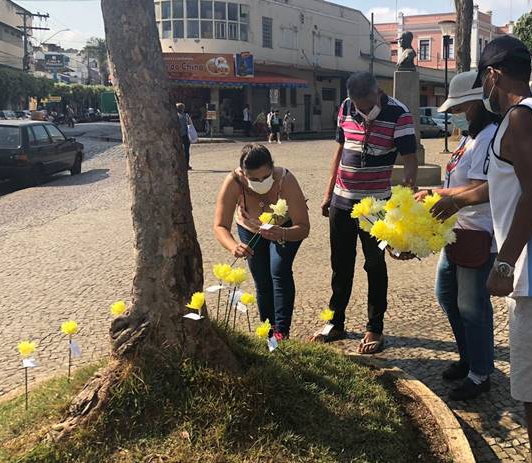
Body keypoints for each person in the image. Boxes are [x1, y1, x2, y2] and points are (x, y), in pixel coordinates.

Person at [431, 36, 532, 462]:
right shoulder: (531, 113)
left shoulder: (520, 117)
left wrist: (503, 263)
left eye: (484, 79)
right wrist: (456, 198)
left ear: (493, 75)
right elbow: (508, 184)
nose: (485, 89)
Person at [311, 71, 418, 354]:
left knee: (375, 265)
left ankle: (375, 327)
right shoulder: (346, 107)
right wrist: (328, 192)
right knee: (340, 265)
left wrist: (407, 198)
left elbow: (410, 159)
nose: (363, 111)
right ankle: (335, 322)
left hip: (376, 207)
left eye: (368, 105)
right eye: (359, 106)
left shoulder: (399, 114)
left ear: (377, 92)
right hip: (342, 201)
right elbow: (340, 149)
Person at [414, 70, 500, 401]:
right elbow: (455, 183)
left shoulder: (489, 137)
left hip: (478, 231)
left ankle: (480, 373)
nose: (454, 115)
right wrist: (435, 194)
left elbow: (481, 188)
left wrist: (438, 195)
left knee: (472, 306)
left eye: (458, 109)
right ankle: (469, 357)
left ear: (476, 104)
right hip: (455, 229)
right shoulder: (468, 138)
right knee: (447, 296)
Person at [213, 143, 310, 339]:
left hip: (284, 227)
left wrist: (283, 233)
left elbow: (303, 227)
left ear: (272, 168)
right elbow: (220, 225)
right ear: (243, 174)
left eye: (266, 177)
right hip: (250, 227)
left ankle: (281, 332)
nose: (261, 182)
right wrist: (234, 246)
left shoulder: (285, 180)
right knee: (262, 279)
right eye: (254, 179)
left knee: (279, 271)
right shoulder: (233, 182)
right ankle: (268, 333)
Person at [176, 102, 193, 170]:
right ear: (183, 109)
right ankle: (186, 164)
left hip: (177, 135)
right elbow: (190, 124)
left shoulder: (175, 116)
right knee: (186, 151)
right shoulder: (186, 116)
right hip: (185, 135)